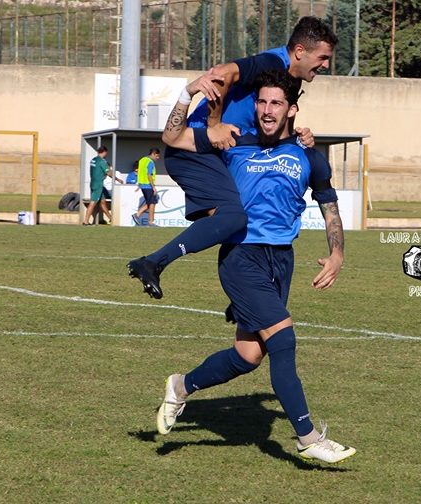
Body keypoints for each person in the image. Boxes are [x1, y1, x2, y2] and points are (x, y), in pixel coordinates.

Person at [154, 69, 354, 464]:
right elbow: (172, 138)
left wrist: (337, 253)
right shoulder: (233, 142)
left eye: (276, 102)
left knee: (248, 355)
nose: (266, 110)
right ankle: (308, 437)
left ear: (291, 109)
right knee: (283, 340)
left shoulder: (310, 156)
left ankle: (181, 386)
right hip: (241, 257)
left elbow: (329, 206)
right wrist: (186, 92)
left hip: (281, 261)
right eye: (261, 101)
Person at [127, 16, 338, 299]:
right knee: (233, 217)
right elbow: (222, 73)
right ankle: (153, 262)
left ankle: (246, 295)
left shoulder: (285, 78)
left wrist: (298, 137)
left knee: (241, 218)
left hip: (220, 151)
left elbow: (273, 118)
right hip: (196, 149)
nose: (326, 64)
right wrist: (214, 126)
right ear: (300, 51)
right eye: (322, 57)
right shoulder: (272, 63)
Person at [83, 146, 115, 225]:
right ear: (104, 152)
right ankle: (85, 221)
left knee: (103, 202)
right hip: (98, 185)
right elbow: (108, 173)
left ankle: (111, 219)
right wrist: (114, 176)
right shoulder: (102, 161)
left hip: (93, 183)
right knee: (93, 202)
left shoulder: (93, 160)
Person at [131, 148, 161, 226]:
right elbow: (149, 175)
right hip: (148, 185)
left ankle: (137, 215)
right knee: (152, 203)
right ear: (154, 154)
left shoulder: (142, 160)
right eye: (157, 156)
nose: (158, 158)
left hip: (143, 185)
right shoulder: (150, 162)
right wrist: (153, 186)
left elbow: (140, 173)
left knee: (149, 203)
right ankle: (151, 222)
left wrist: (139, 185)